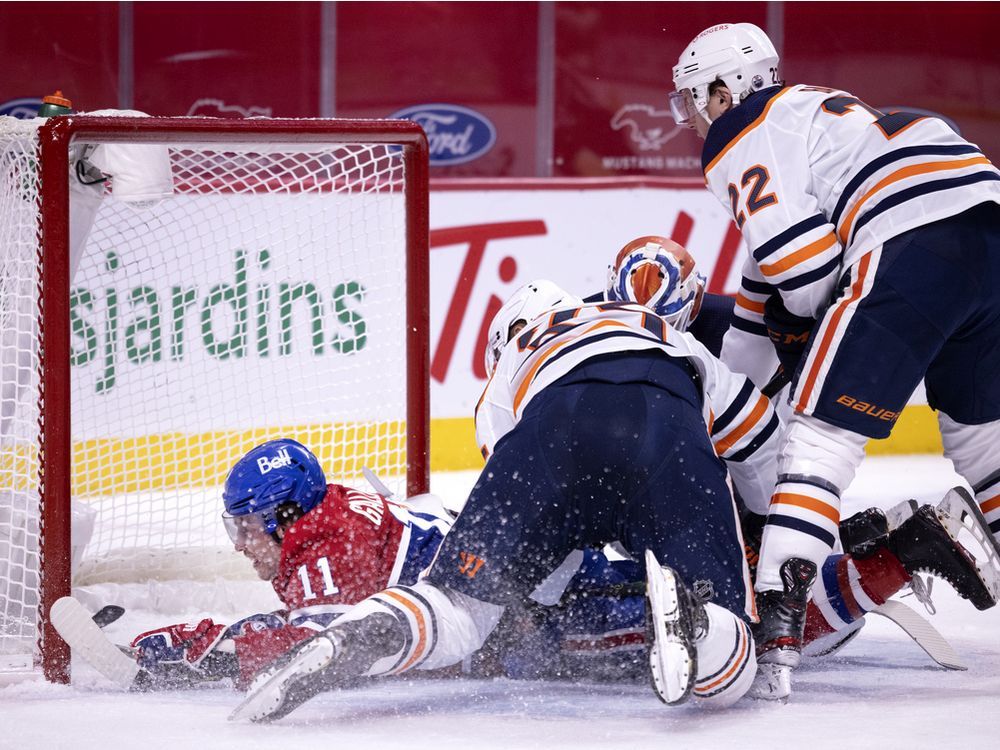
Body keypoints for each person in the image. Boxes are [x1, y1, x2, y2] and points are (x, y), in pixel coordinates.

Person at [232, 279, 789, 721]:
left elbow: (527, 514)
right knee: (731, 672)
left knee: (457, 608)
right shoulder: (667, 332)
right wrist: (762, 526)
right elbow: (762, 438)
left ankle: (374, 630)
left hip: (548, 429)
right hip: (667, 424)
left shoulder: (506, 372)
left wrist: (508, 584)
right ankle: (701, 624)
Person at [667, 21, 1000, 690]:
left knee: (818, 441)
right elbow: (757, 319)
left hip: (911, 239)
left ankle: (779, 630)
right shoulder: (818, 119)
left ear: (727, 87)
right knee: (988, 450)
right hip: (989, 228)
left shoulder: (739, 131)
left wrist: (809, 351)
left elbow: (804, 271)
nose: (696, 115)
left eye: (698, 97)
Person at [124, 438, 450, 690]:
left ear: (285, 517)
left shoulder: (333, 548)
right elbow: (329, 618)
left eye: (247, 527)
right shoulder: (326, 514)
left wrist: (218, 658)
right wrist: (233, 633)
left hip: (491, 642)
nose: (239, 545)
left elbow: (321, 651)